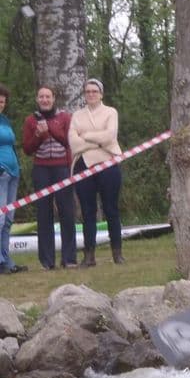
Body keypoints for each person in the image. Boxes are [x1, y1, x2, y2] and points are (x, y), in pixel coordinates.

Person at [68, 78, 124, 266]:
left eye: (94, 91)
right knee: (87, 211)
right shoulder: (77, 115)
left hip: (108, 161)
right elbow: (73, 143)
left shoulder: (110, 112)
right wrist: (96, 140)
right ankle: (89, 255)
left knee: (111, 209)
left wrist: (87, 136)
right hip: (83, 164)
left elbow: (110, 136)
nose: (91, 94)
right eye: (87, 91)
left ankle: (117, 253)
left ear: (101, 94)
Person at [22, 86, 77, 270]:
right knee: (43, 213)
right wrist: (38, 135)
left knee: (66, 211)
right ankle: (47, 261)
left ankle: (69, 258)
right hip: (42, 169)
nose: (45, 100)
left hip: (62, 167)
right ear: (37, 99)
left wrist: (50, 130)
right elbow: (28, 149)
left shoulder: (64, 117)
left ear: (54, 99)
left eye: (48, 96)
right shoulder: (31, 120)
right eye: (41, 97)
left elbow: (68, 142)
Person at [0, 84, 28, 275]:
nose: (0, 104)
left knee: (8, 220)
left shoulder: (5, 121)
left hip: (13, 173)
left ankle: (6, 259)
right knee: (0, 219)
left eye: (2, 101)